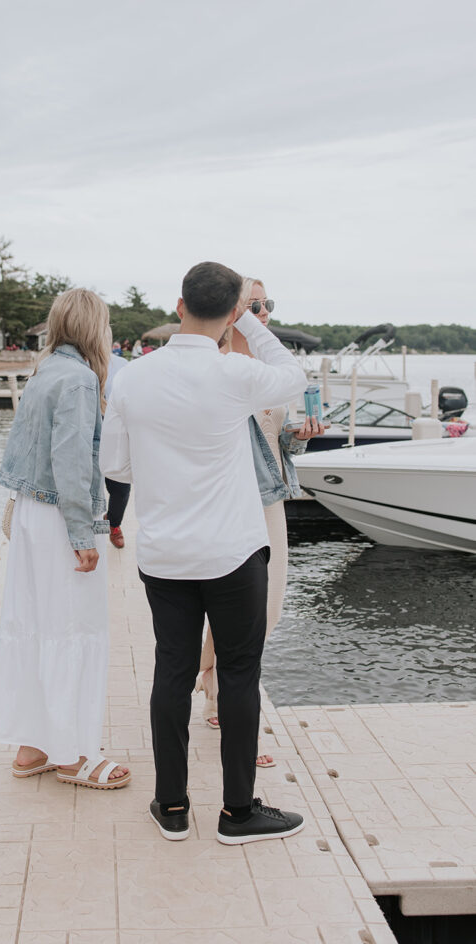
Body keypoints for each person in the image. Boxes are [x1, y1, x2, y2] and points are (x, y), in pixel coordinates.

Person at [100, 261, 307, 844]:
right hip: (235, 553)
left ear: (178, 304)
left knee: (173, 670)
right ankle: (238, 813)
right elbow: (292, 373)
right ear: (231, 314)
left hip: (165, 554)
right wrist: (250, 323)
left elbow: (114, 467)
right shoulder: (235, 372)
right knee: (240, 674)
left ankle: (171, 807)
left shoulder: (132, 379)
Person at [0, 288, 130, 789]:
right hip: (58, 517)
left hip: (31, 512)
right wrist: (83, 534)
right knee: (73, 626)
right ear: (96, 328)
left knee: (35, 621)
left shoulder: (45, 370)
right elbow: (71, 463)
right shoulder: (82, 380)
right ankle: (71, 753)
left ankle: (33, 746)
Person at [197, 276, 325, 763]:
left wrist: (302, 436)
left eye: (268, 303)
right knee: (236, 608)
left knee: (266, 609)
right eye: (254, 304)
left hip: (270, 499)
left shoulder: (276, 372)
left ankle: (211, 680)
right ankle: (228, 710)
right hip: (229, 501)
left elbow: (278, 445)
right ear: (233, 311)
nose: (264, 311)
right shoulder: (222, 367)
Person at [104, 352, 131, 548]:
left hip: (116, 430)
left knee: (120, 485)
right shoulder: (77, 363)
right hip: (86, 428)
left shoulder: (123, 364)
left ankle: (113, 523)